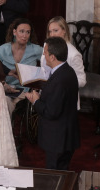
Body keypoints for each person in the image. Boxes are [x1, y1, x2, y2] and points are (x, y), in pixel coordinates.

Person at [25, 37, 80, 170]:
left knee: (55, 176)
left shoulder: (59, 80)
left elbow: (51, 112)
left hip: (57, 140)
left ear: (53, 57)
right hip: (66, 136)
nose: (43, 54)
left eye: (45, 52)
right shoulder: (67, 71)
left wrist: (35, 100)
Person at [0, 18, 42, 114]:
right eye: (21, 31)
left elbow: (49, 62)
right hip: (5, 88)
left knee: (6, 103)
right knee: (3, 100)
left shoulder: (36, 50)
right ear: (14, 32)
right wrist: (4, 84)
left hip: (26, 91)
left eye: (28, 32)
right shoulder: (2, 50)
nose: (25, 35)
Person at [41, 16, 86, 109]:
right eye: (50, 31)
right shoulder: (46, 45)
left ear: (64, 31)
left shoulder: (74, 54)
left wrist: (60, 83)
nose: (52, 34)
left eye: (55, 30)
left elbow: (82, 80)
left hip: (65, 98)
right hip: (46, 92)